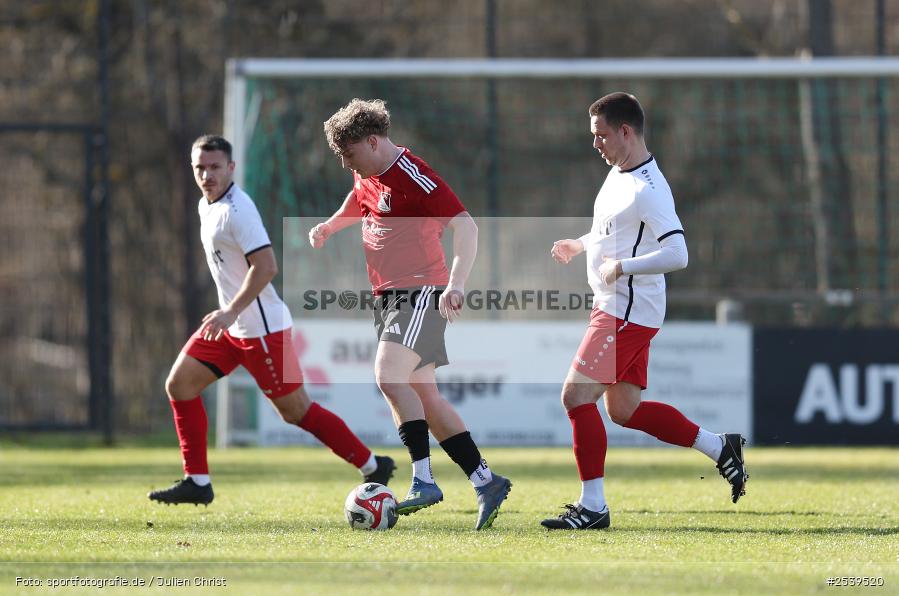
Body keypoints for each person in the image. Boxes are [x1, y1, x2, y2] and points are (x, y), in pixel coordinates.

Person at [149, 135, 395, 506]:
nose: (207, 174)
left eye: (215, 167)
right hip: (230, 327)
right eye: (200, 167)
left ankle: (373, 465)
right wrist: (229, 315)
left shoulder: (238, 211)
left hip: (261, 331)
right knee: (180, 385)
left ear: (231, 168)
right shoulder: (206, 205)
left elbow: (266, 267)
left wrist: (232, 310)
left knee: (297, 411)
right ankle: (197, 481)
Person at [541, 93, 748, 530]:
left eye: (601, 136)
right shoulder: (619, 172)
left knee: (575, 398)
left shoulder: (649, 189)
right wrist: (581, 244)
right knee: (625, 411)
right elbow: (613, 230)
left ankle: (593, 507)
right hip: (622, 308)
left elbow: (678, 253)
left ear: (626, 132)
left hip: (625, 312)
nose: (596, 144)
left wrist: (623, 267)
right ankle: (719, 446)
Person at [310, 98, 512, 530]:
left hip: (421, 292)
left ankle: (423, 479)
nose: (347, 164)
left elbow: (466, 225)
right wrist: (330, 226)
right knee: (426, 397)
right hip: (387, 297)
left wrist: (456, 284)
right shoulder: (367, 174)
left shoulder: (413, 176)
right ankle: (485, 480)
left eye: (349, 155)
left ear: (373, 141)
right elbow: (356, 200)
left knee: (388, 377)